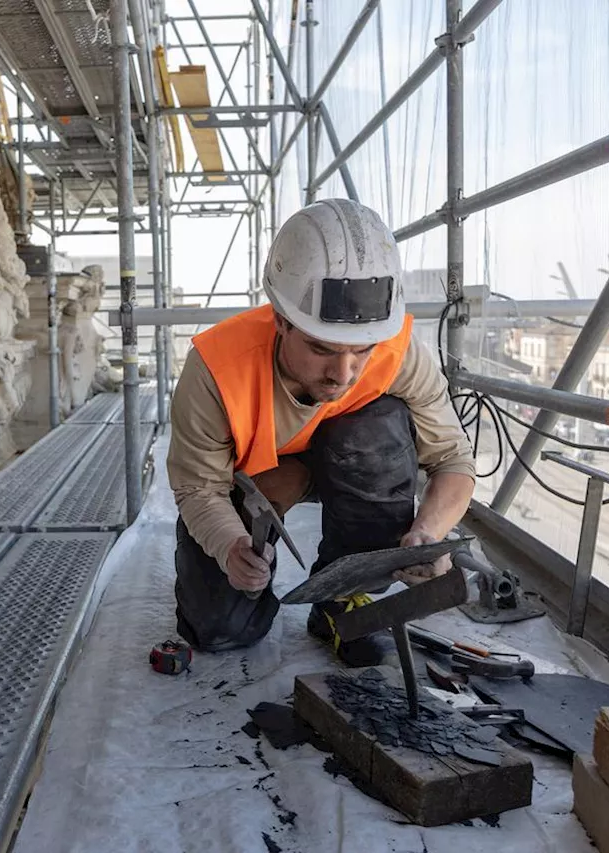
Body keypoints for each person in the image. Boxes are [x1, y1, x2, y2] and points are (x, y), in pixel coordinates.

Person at [167, 199, 477, 666]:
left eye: (362, 352)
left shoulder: (396, 352)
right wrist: (230, 547)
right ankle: (239, 593)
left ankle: (340, 600)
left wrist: (429, 533)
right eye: (321, 348)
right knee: (220, 629)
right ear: (281, 321)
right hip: (256, 483)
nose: (344, 373)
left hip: (350, 459)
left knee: (378, 429)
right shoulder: (217, 368)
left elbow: (453, 460)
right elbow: (198, 487)